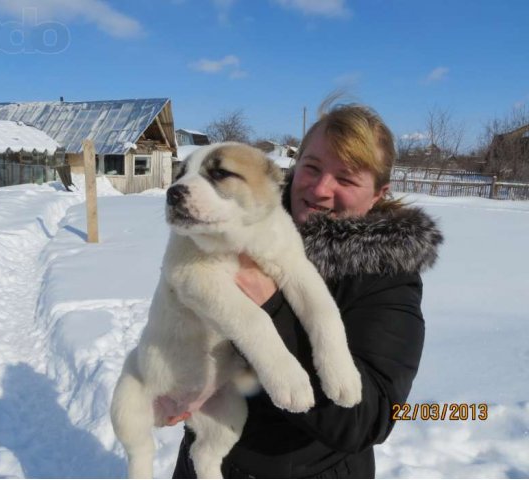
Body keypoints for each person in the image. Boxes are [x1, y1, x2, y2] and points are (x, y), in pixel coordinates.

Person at [171, 99, 444, 478]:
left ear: (378, 193)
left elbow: (367, 420)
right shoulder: (238, 221)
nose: (319, 189)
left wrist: (271, 304)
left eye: (346, 179)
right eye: (311, 168)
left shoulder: (386, 275)